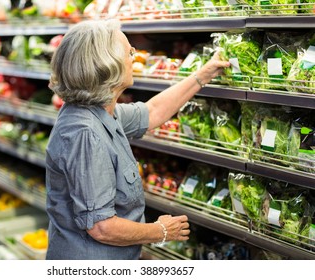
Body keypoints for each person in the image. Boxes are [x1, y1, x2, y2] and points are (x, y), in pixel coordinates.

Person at [45, 18, 230, 260]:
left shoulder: (99, 112)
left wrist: (202, 75)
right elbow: (101, 226)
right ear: (106, 64)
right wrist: (161, 231)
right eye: (129, 51)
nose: (135, 57)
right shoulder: (85, 133)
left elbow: (152, 111)